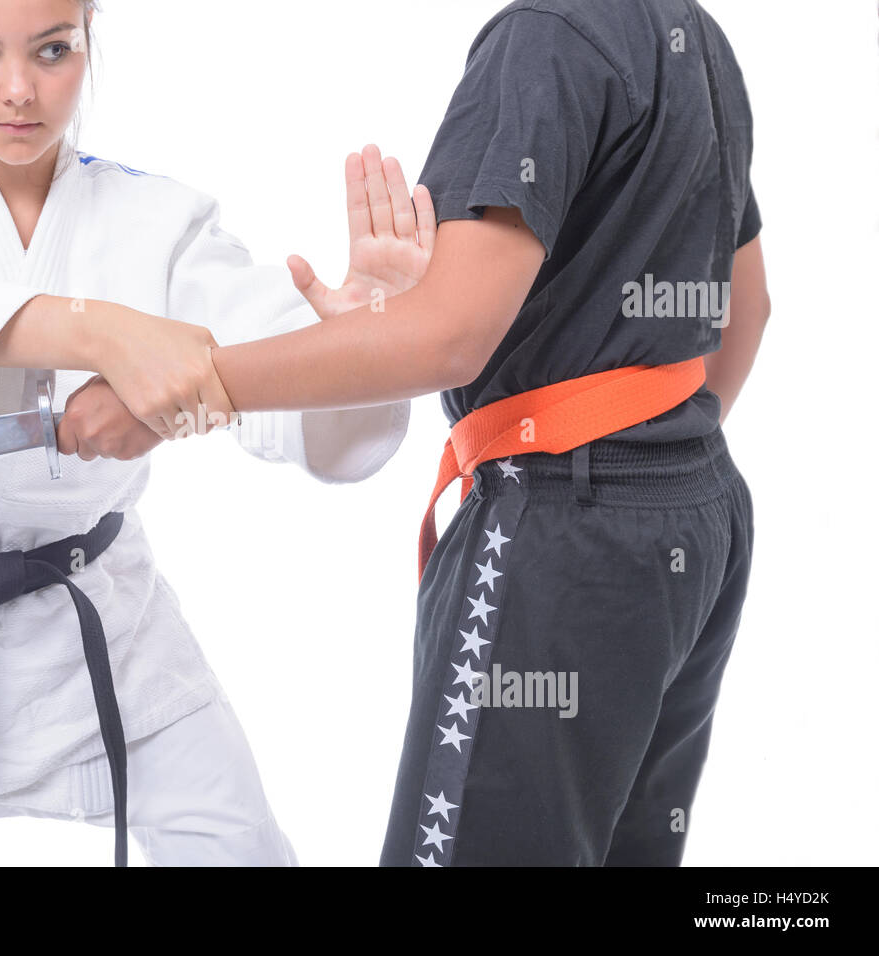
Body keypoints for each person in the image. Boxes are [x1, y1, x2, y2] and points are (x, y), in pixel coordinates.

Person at [0, 0, 437, 866]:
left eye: (52, 51)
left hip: (106, 618)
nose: (19, 90)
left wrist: (363, 340)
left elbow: (316, 420)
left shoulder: (158, 222)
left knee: (240, 846)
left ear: (88, 43)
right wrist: (102, 331)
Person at [97, 0, 769, 865]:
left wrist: (189, 386)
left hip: (563, 538)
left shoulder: (546, 36)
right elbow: (743, 309)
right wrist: (644, 455)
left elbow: (448, 338)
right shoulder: (695, 38)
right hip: (697, 514)